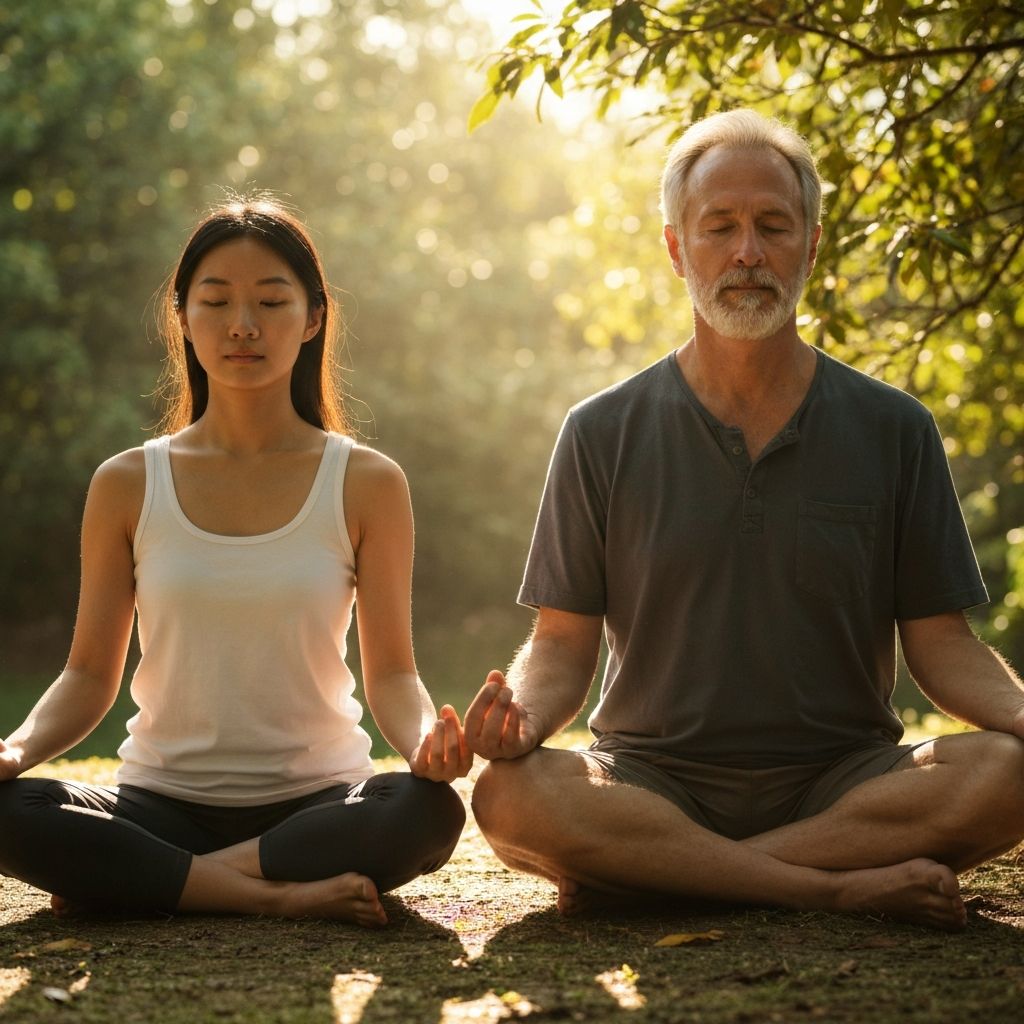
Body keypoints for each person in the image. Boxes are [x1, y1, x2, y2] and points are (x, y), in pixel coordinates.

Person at [463, 109, 1024, 931]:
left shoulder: (895, 428)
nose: (748, 253)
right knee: (510, 792)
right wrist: (522, 718)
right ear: (676, 248)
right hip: (649, 782)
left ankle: (663, 875)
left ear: (812, 245)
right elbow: (560, 643)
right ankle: (828, 886)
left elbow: (942, 643)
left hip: (847, 781)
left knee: (1010, 771)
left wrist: (1021, 712)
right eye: (719, 227)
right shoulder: (600, 431)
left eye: (773, 226)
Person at [0, 195, 470, 927]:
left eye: (271, 302)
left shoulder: (367, 482)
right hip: (159, 804)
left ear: (312, 319)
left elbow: (394, 675)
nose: (242, 325)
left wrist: (422, 747)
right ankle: (271, 895)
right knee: (10, 809)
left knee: (425, 811)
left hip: (316, 805)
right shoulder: (127, 482)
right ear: (183, 319)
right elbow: (88, 675)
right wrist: (14, 749)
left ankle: (150, 881)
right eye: (216, 301)